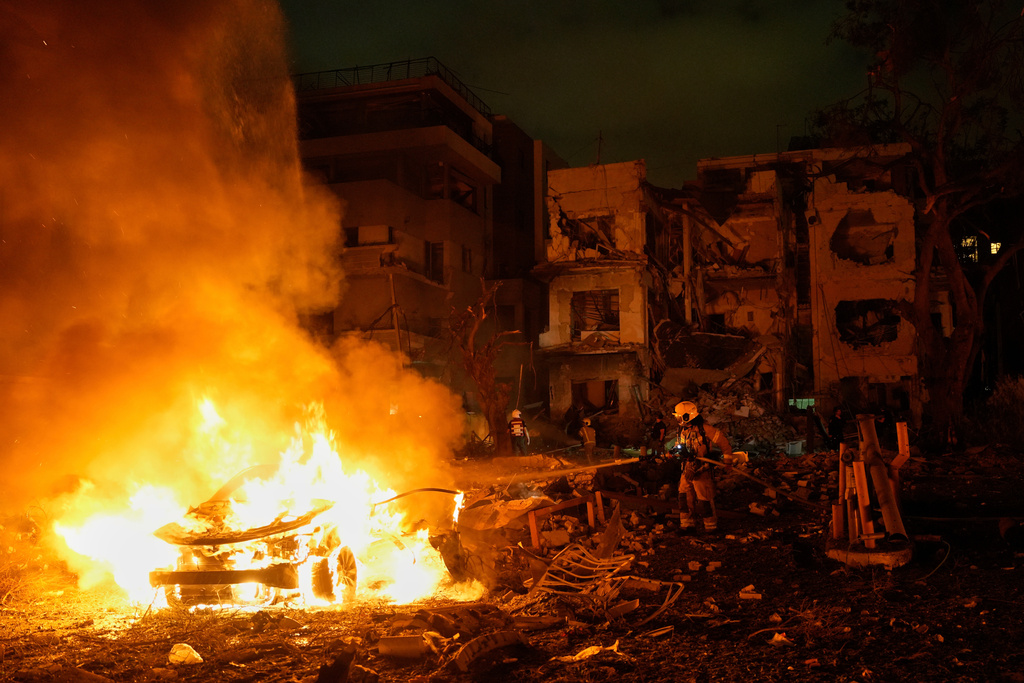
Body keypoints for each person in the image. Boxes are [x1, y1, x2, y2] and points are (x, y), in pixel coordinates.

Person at [672, 400, 733, 533]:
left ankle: (710, 527)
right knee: (684, 494)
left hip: (702, 468)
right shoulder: (683, 430)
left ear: (687, 416)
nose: (678, 419)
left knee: (704, 497)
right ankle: (687, 525)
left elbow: (723, 442)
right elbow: (681, 446)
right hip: (687, 467)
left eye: (679, 416)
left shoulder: (705, 429)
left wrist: (728, 460)